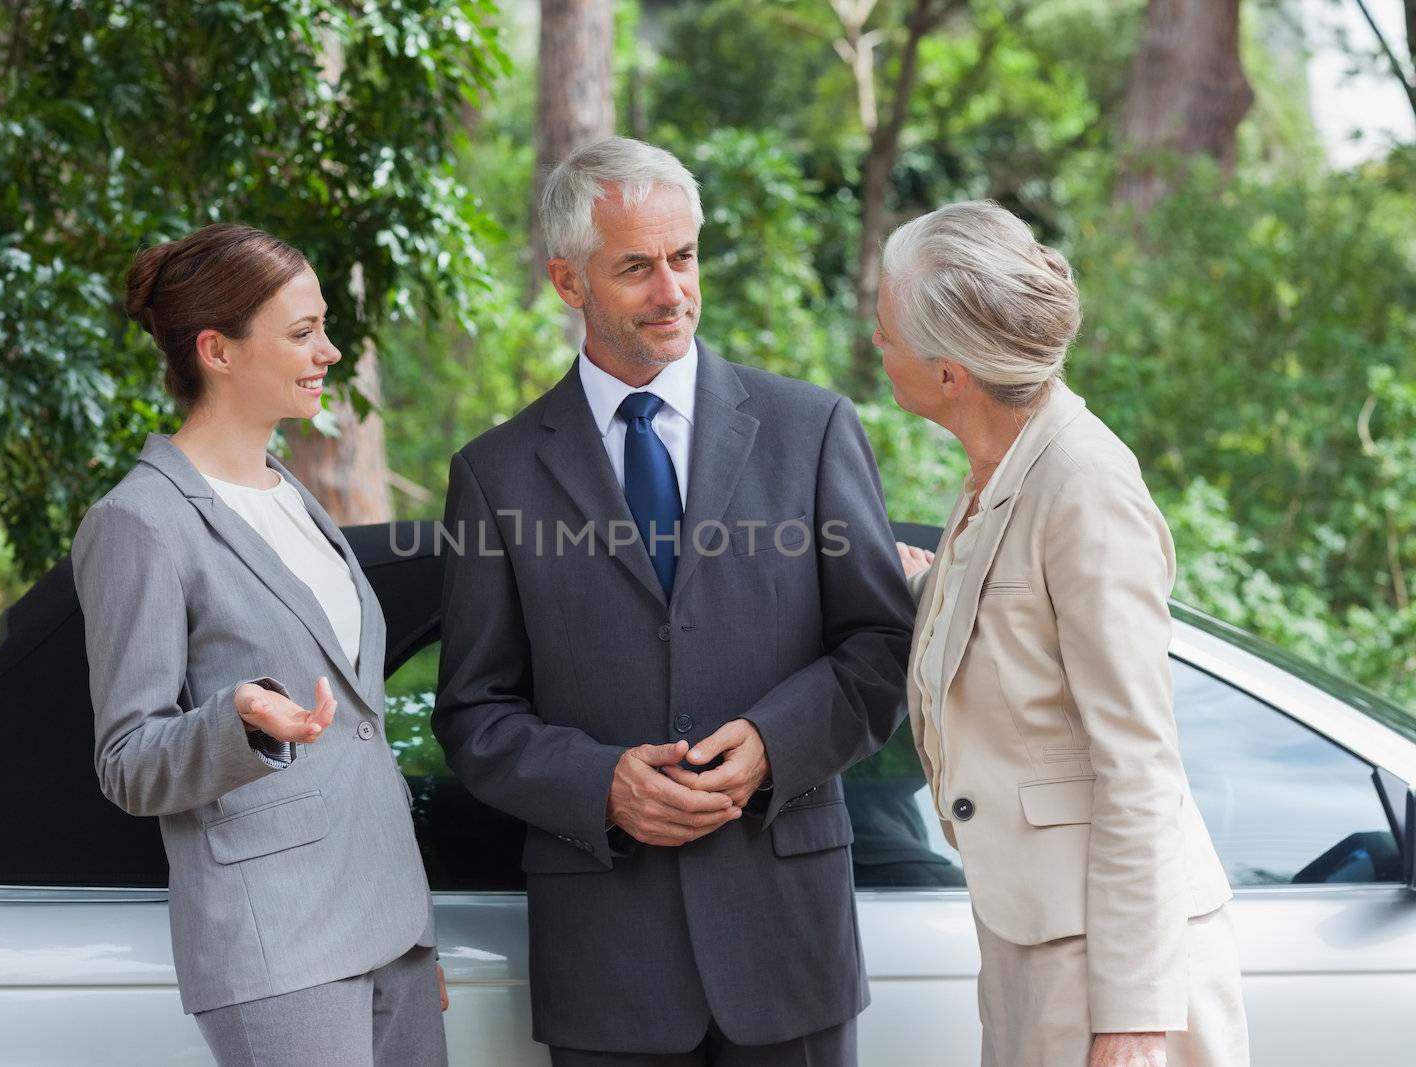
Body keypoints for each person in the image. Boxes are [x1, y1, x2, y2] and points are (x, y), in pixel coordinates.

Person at [433, 136, 915, 1066]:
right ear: (569, 282)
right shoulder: (494, 475)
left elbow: (881, 646)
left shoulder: (812, 430)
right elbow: (474, 711)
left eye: (684, 257)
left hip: (790, 948)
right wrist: (599, 785)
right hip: (608, 964)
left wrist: (776, 744)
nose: (672, 291)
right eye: (637, 268)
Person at [876, 200, 1249, 1067]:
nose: (876, 344)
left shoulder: (1084, 485)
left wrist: (1129, 1021)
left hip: (1110, 966)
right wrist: (933, 585)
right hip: (1037, 933)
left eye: (886, 327)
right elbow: (1027, 635)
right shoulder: (1000, 469)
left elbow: (1139, 762)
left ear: (950, 373)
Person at [71, 223, 447, 1067]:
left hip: (390, 928)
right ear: (219, 350)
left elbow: (356, 728)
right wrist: (237, 722)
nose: (331, 350)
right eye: (303, 332)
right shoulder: (139, 521)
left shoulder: (294, 497)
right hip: (280, 945)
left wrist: (412, 927)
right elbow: (126, 758)